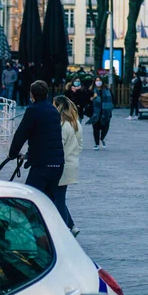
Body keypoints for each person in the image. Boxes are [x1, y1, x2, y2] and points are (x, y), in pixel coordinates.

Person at [8, 81, 65, 201]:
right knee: (50, 202)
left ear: (32, 95)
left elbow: (21, 134)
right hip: (57, 164)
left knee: (29, 200)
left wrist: (13, 153)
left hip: (42, 165)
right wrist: (28, 155)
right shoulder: (53, 111)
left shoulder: (33, 110)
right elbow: (46, 138)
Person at [53, 96, 83, 237]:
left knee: (58, 198)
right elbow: (80, 145)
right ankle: (71, 225)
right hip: (72, 164)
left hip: (61, 164)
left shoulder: (62, 126)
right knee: (59, 196)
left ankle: (65, 229)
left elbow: (59, 146)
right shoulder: (76, 123)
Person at [87, 76, 113, 150]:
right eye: (97, 80)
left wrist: (110, 108)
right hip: (95, 113)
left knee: (105, 128)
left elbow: (112, 100)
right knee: (96, 129)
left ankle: (102, 138)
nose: (98, 82)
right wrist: (92, 98)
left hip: (106, 112)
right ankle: (96, 144)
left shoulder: (107, 90)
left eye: (99, 80)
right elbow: (87, 101)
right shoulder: (91, 90)